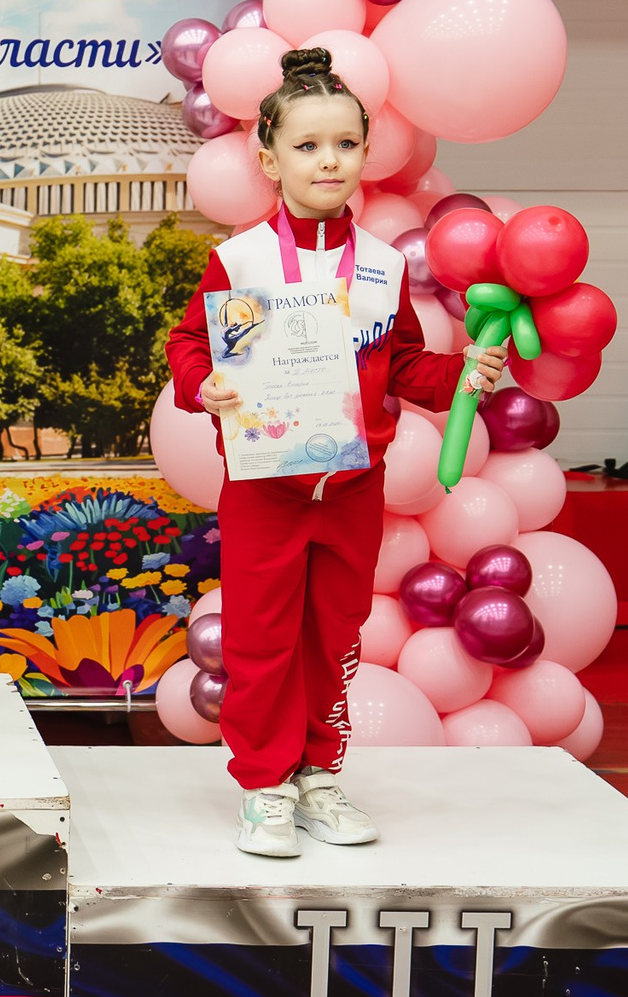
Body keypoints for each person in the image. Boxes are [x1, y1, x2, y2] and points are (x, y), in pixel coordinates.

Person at [165, 47, 506, 858]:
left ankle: (318, 775)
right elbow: (188, 344)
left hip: (352, 487)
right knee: (261, 642)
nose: (329, 160)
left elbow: (406, 365)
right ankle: (264, 786)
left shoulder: (382, 267)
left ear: (365, 154)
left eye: (346, 144)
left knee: (332, 638)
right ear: (269, 159)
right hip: (265, 488)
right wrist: (204, 384)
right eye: (308, 145)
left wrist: (463, 372)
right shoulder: (240, 260)